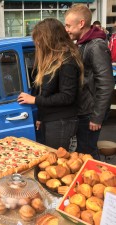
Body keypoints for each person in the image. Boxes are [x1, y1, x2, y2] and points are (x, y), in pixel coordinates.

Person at [17, 18, 84, 150]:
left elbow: (67, 96)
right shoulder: (52, 60)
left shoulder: (67, 61)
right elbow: (46, 91)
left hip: (62, 122)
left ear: (50, 39)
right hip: (51, 120)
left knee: (57, 164)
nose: (37, 43)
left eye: (39, 38)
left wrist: (34, 100)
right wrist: (41, 117)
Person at [64, 4, 114, 160]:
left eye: (68, 26)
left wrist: (97, 117)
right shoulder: (84, 43)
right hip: (85, 110)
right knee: (84, 151)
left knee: (87, 153)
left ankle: (98, 180)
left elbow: (106, 83)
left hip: (90, 113)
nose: (66, 29)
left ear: (81, 23)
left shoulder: (96, 46)